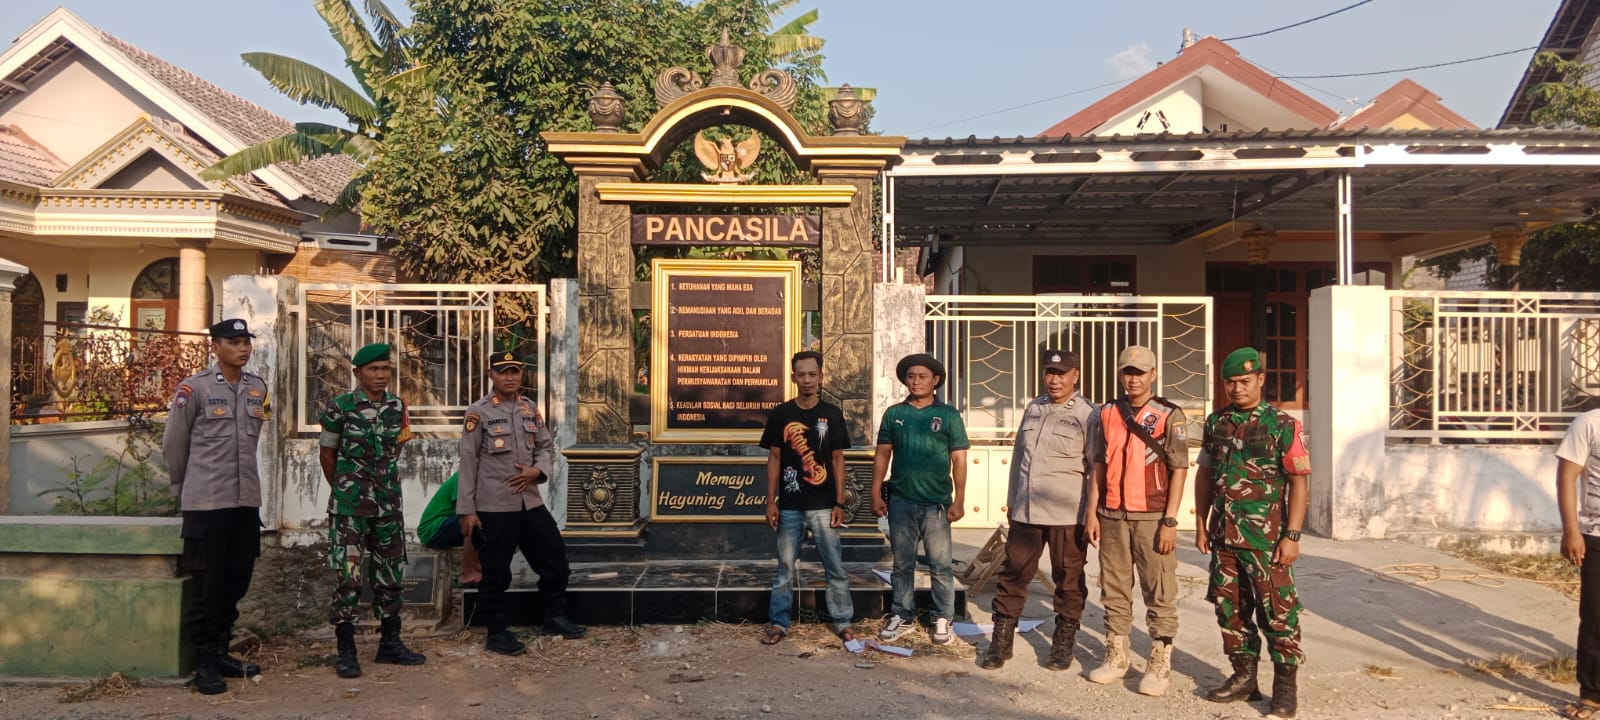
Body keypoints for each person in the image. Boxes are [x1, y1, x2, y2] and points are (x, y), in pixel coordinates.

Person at [1194, 347, 1310, 719]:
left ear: (1261, 379)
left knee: (1277, 611)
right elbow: (1206, 474)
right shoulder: (1216, 423)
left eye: (1245, 381)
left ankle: (1285, 687)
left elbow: (1299, 481)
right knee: (1230, 609)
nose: (1237, 388)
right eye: (1231, 382)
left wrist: (1292, 535)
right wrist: (1201, 521)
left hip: (1267, 541)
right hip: (1225, 536)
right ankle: (1244, 677)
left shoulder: (1282, 425)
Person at [162, 318, 269, 695]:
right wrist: (183, 489)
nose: (243, 348)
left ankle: (222, 650)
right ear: (216, 346)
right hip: (206, 504)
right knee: (207, 585)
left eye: (246, 342)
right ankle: (204, 661)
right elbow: (174, 445)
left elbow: (255, 441)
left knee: (235, 581)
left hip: (244, 502)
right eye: (234, 341)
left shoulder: (258, 389)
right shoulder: (194, 389)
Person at [459, 351, 586, 655]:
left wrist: (537, 471)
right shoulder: (478, 413)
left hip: (529, 502)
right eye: (503, 372)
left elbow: (545, 446)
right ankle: (497, 631)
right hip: (494, 505)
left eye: (514, 371)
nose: (510, 377)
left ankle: (554, 616)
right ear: (491, 374)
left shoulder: (529, 408)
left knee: (555, 558)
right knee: (496, 572)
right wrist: (467, 510)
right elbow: (467, 462)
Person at [980, 350, 1099, 671]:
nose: (1055, 379)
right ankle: (1000, 642)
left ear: (1076, 375)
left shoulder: (1089, 414)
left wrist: (1091, 512)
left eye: (1062, 373)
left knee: (1069, 580)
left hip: (1067, 514)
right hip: (1027, 512)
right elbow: (1019, 457)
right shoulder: (1034, 407)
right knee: (1013, 574)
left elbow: (1095, 468)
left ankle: (1062, 644)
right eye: (1050, 372)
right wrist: (1012, 501)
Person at [1085, 344, 1189, 695]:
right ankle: (1117, 655)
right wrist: (1092, 511)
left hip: (1153, 515)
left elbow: (1179, 469)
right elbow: (1099, 463)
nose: (1133, 378)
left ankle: (1159, 660)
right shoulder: (1107, 412)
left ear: (1153, 375)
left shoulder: (1169, 414)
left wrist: (1171, 521)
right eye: (1128, 372)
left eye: (1140, 372)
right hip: (1112, 514)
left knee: (1159, 588)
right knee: (1113, 587)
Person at [319, 342, 427, 678]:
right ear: (357, 373)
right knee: (348, 579)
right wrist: (345, 491)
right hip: (350, 506)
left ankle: (390, 644)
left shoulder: (398, 406)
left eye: (385, 369)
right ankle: (346, 650)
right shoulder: (340, 408)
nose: (381, 375)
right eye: (373, 370)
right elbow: (327, 456)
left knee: (391, 572)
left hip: (388, 503)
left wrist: (381, 489)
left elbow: (397, 451)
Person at [870, 353, 968, 645]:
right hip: (901, 501)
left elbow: (959, 459)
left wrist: (960, 499)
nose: (916, 381)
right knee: (902, 564)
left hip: (936, 503)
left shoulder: (949, 416)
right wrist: (875, 492)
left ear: (935, 380)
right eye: (911, 376)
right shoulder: (894, 414)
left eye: (922, 376)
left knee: (940, 565)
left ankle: (943, 617)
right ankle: (902, 614)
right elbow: (882, 455)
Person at [760, 351, 855, 645]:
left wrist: (840, 503)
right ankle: (779, 623)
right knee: (785, 568)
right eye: (801, 374)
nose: (807, 380)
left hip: (825, 506)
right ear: (793, 378)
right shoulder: (781, 414)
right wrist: (771, 500)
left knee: (835, 568)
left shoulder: (833, 414)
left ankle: (843, 622)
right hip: (789, 505)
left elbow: (838, 460)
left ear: (821, 377)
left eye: (812, 374)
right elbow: (774, 458)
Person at [1558, 408, 1600, 720]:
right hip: (1597, 536)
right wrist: (1571, 531)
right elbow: (1567, 477)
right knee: (1596, 617)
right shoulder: (1589, 423)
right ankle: (1592, 695)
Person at [417, 472, 482, 587]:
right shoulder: (464, 475)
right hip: (432, 529)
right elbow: (464, 508)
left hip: (449, 524)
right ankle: (467, 572)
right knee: (475, 520)